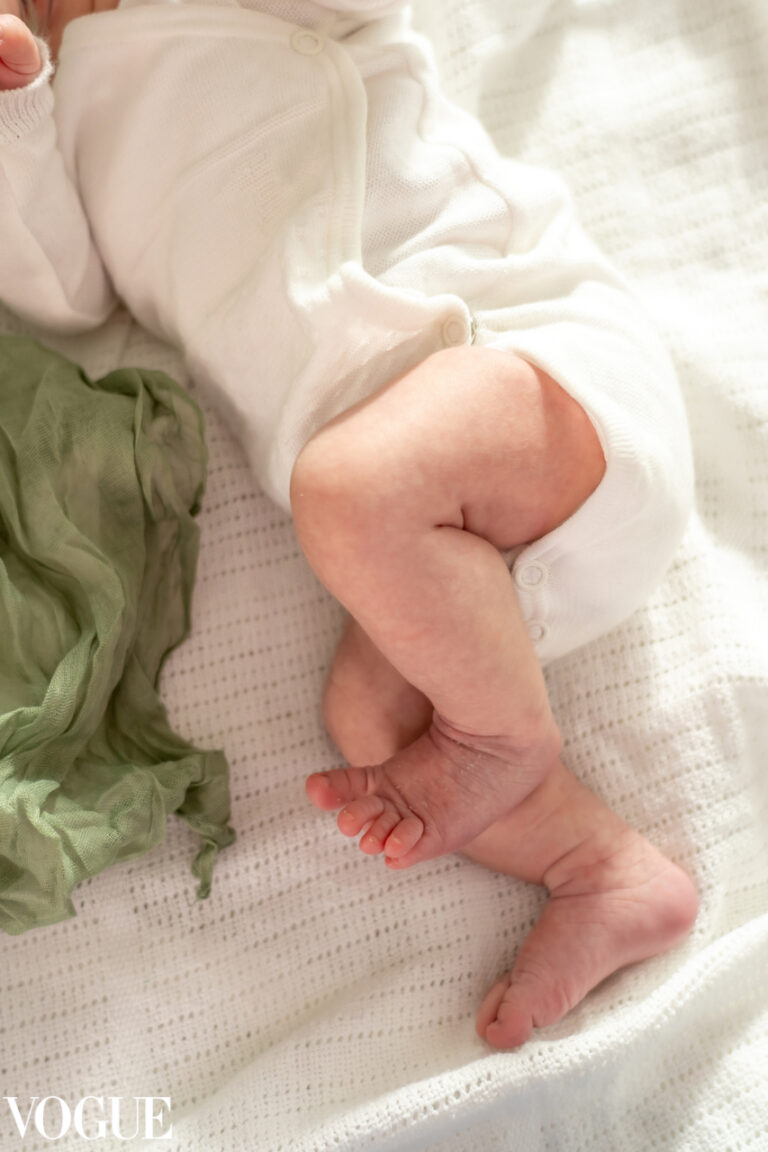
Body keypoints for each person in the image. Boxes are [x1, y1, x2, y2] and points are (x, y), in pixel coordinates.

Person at [0, 0, 698, 1049]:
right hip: (460, 574)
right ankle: (596, 864)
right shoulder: (65, 114)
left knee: (346, 490)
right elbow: (66, 300)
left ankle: (500, 737)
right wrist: (16, 112)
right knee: (367, 720)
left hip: (540, 381)